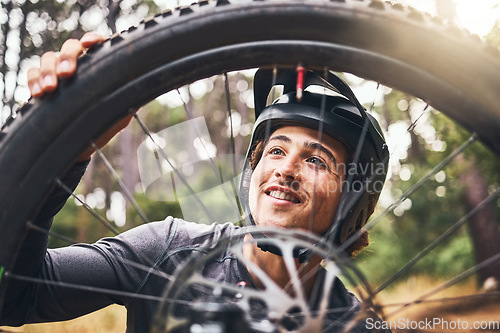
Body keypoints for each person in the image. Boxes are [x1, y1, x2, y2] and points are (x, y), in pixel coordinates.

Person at [0, 33, 389, 332]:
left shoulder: (356, 323)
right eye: (275, 150)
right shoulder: (169, 251)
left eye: (316, 159)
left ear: (352, 203)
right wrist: (60, 156)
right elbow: (15, 296)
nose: (285, 169)